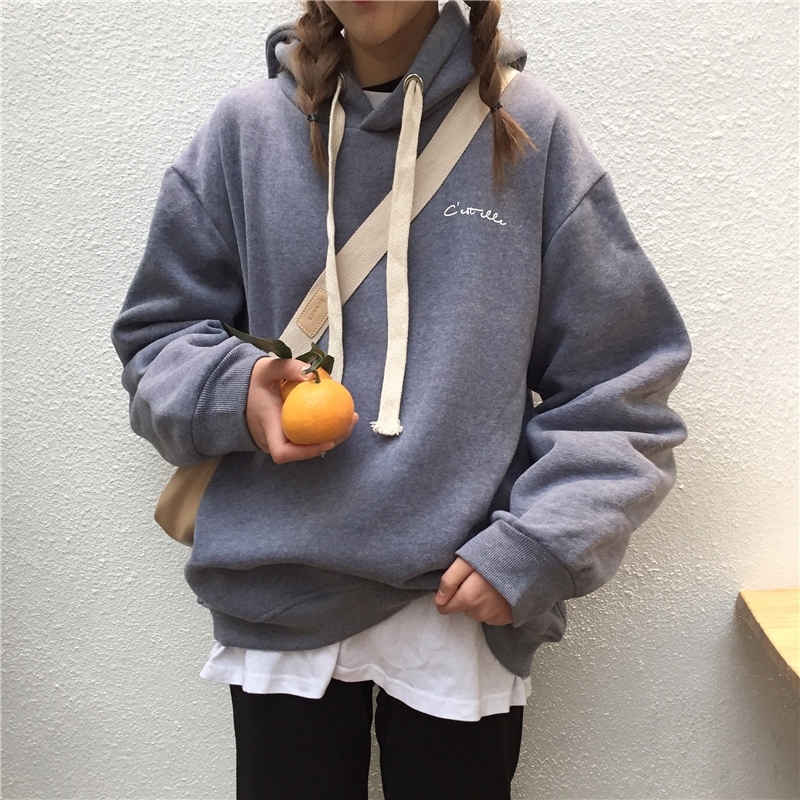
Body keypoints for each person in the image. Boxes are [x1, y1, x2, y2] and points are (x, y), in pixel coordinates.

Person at [111, 1, 691, 798]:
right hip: (281, 597)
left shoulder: (526, 130)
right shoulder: (247, 131)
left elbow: (622, 382)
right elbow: (158, 336)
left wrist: (539, 545)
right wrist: (236, 392)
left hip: (459, 601)